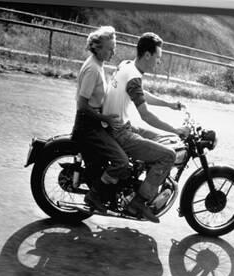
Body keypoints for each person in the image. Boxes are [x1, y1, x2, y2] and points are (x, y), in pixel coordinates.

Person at [102, 32, 188, 223]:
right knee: (168, 155)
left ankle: (141, 182)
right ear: (147, 55)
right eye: (158, 57)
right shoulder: (133, 75)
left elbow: (141, 93)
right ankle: (139, 202)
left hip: (120, 125)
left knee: (162, 141)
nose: (159, 62)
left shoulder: (126, 65)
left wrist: (169, 105)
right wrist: (176, 130)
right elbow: (146, 115)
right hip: (120, 132)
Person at [71, 26, 131, 213]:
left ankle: (112, 197)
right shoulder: (92, 69)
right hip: (88, 126)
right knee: (121, 162)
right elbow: (82, 105)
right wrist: (105, 117)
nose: (113, 51)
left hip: (95, 123)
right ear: (97, 48)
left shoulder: (98, 64)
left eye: (114, 47)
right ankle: (95, 195)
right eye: (109, 48)